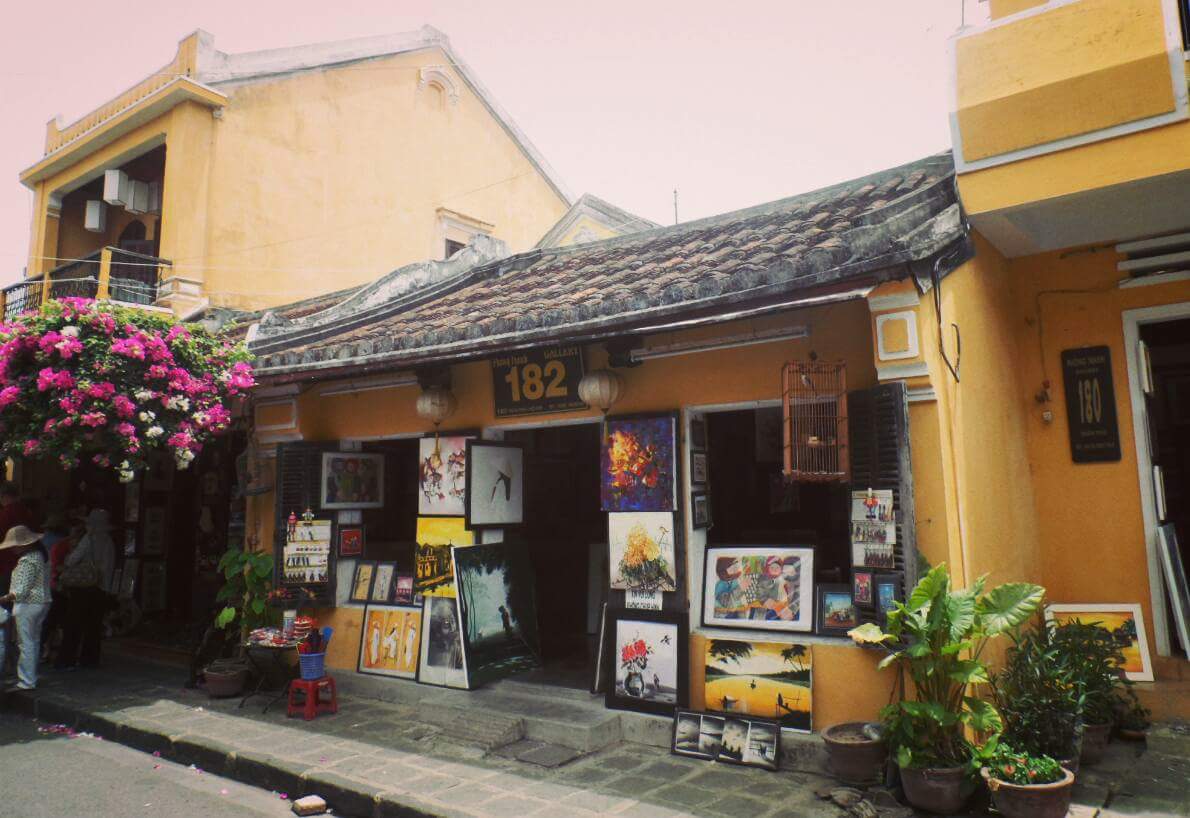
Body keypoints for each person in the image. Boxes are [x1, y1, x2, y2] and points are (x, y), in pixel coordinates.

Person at [57, 509, 115, 670]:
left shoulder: (88, 539)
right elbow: (108, 568)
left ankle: (67, 659)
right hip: (100, 588)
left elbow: (73, 559)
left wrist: (68, 560)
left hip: (83, 587)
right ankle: (89, 659)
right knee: (94, 627)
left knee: (73, 624)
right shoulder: (109, 541)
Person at [0, 525, 51, 689]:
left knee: (25, 643)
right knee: (33, 641)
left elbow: (21, 590)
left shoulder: (27, 560)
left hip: (28, 605)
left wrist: (4, 598)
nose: (12, 548)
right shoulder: (40, 555)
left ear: (24, 544)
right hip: (41, 602)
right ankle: (30, 677)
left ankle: (26, 680)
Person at [40, 512, 74, 662]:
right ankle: (49, 649)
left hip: (44, 582)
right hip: (57, 583)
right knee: (56, 620)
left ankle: (44, 649)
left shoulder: (42, 541)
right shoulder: (64, 543)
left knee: (47, 620)